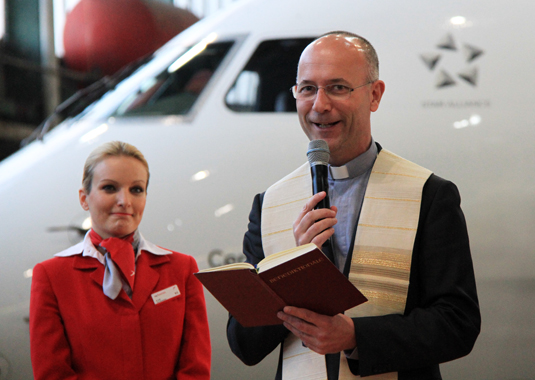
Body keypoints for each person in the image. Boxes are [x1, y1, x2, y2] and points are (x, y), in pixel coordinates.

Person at [227, 31, 480, 379]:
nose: (319, 105)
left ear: (374, 95)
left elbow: (458, 323)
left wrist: (356, 337)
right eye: (307, 89)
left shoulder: (428, 194)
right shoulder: (270, 203)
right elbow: (245, 345)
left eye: (338, 87)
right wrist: (291, 268)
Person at [29, 141, 211, 380]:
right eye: (110, 188)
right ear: (84, 198)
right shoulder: (52, 276)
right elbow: (53, 373)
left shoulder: (181, 269)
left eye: (136, 189)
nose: (125, 201)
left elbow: (195, 370)